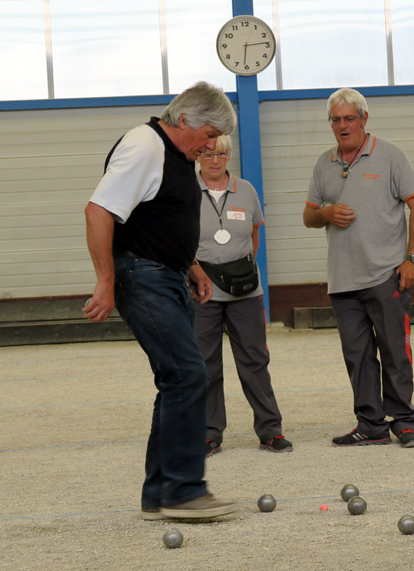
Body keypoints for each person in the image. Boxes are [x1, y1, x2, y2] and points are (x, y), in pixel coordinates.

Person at [84, 81, 238, 520]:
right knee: (189, 374)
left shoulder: (173, 155)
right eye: (208, 135)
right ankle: (184, 491)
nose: (211, 147)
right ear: (184, 120)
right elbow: (99, 211)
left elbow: (161, 217)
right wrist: (105, 280)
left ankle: (159, 494)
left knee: (176, 379)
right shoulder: (144, 145)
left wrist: (191, 265)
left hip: (167, 276)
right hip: (142, 275)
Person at [303, 88, 414, 448]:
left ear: (364, 119)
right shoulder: (324, 163)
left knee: (395, 352)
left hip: (385, 274)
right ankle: (370, 423)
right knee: (358, 357)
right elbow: (309, 215)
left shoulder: (390, 156)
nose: (342, 126)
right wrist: (325, 213)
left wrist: (412, 258)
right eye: (336, 120)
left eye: (349, 118)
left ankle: (403, 421)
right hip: (342, 281)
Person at [191, 134, 292, 456]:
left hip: (245, 291)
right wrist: (198, 270)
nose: (215, 160)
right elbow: (177, 240)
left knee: (255, 361)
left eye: (221, 153)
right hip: (201, 291)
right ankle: (209, 434)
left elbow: (254, 235)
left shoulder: (246, 190)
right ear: (197, 156)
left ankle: (270, 431)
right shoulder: (186, 192)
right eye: (207, 154)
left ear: (229, 155)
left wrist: (238, 272)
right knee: (204, 364)